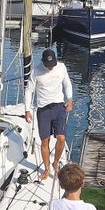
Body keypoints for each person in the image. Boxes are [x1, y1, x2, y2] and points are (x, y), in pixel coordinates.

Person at [23, 47, 74, 179]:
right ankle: (46, 169)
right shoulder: (36, 71)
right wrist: (27, 109)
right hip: (43, 109)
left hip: (59, 106)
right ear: (43, 62)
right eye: (48, 65)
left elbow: (67, 83)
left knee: (61, 138)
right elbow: (29, 90)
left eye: (52, 65)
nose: (50, 67)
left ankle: (56, 162)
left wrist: (69, 98)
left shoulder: (61, 67)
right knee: (45, 141)